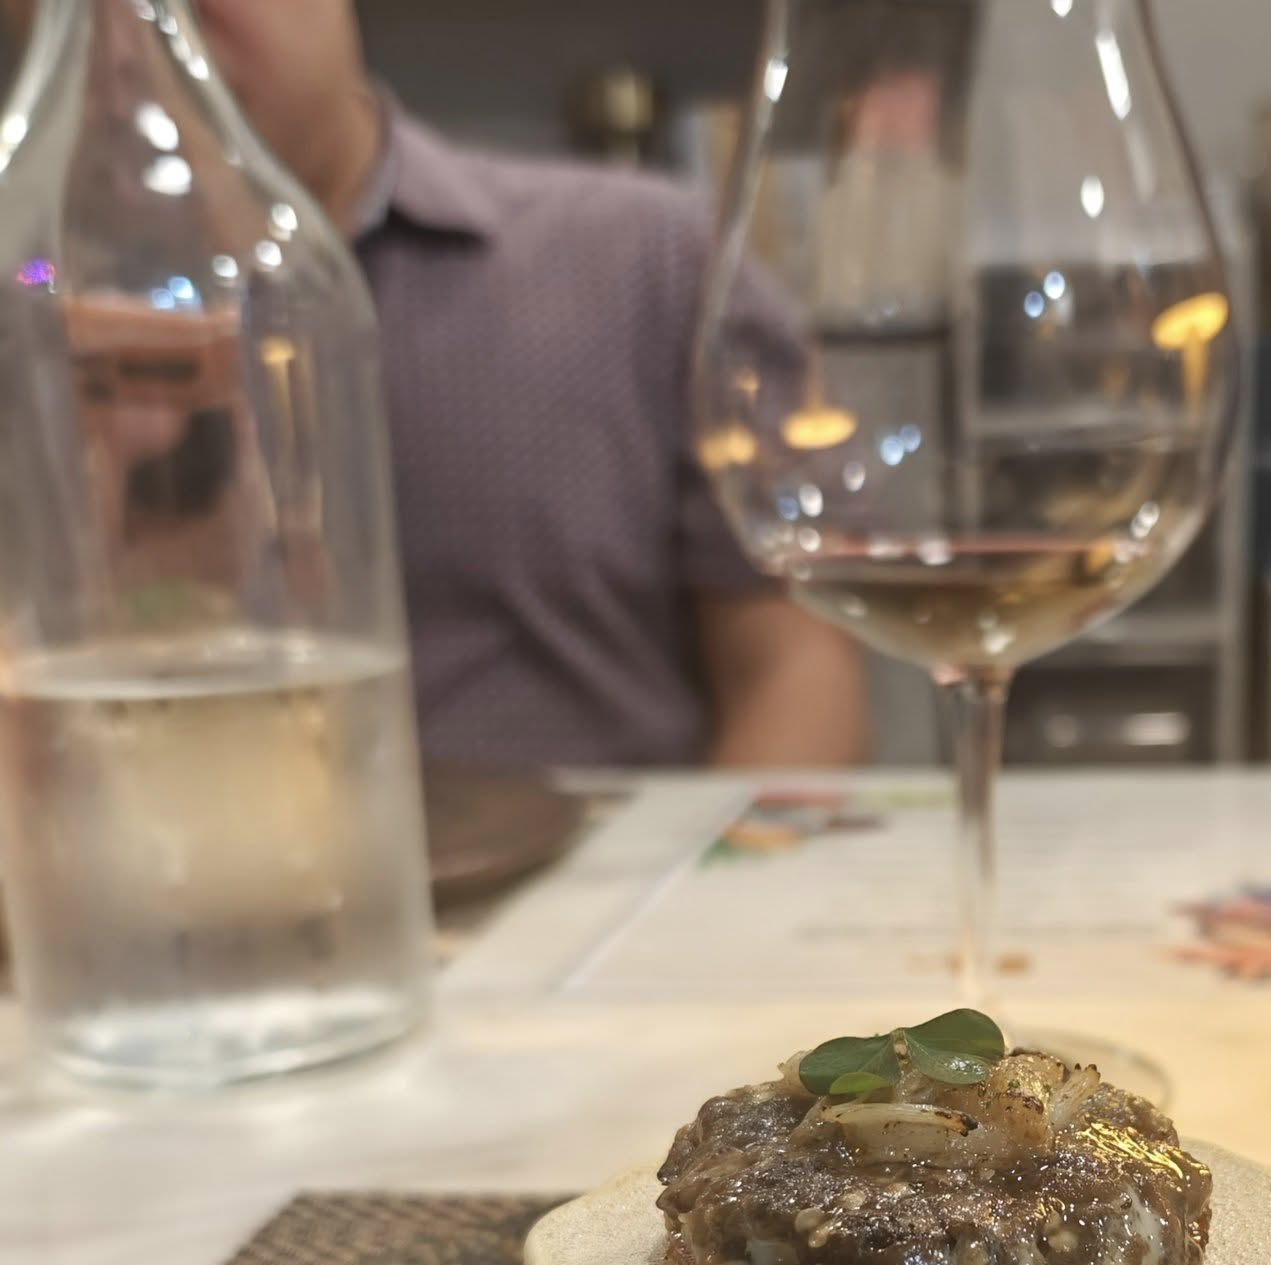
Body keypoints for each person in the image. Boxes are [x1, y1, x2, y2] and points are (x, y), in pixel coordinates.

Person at [191, 0, 871, 770]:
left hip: (602, 844)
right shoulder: (75, 327)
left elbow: (799, 671)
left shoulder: (645, 261)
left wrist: (734, 853)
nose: (143, 35)